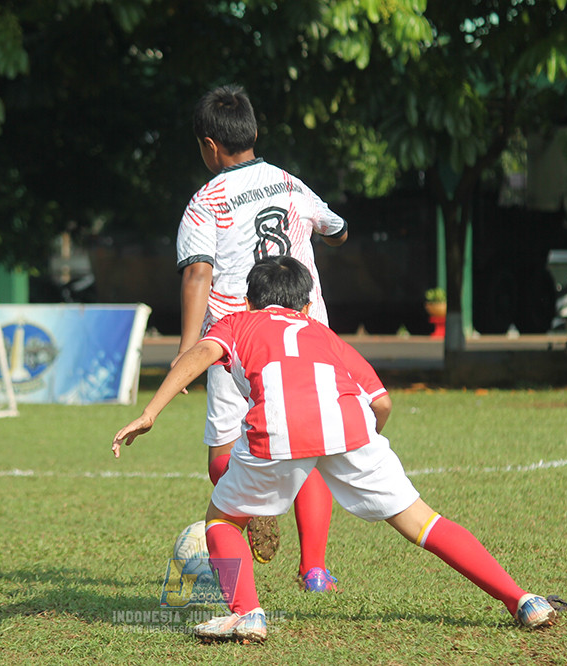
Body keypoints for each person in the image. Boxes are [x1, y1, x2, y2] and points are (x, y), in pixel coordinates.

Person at [113, 257, 559, 643]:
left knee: (222, 520)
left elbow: (200, 353)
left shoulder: (237, 322)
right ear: (307, 306)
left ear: (248, 302)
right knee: (424, 521)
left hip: (276, 430)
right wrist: (361, 446)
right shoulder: (324, 334)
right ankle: (523, 599)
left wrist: (151, 412)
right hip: (351, 429)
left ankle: (246, 612)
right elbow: (382, 402)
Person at [175, 83, 349, 591]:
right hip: (306, 338)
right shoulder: (289, 184)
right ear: (253, 131)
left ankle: (252, 509)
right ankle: (314, 569)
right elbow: (337, 228)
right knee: (308, 447)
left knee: (222, 457)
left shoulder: (205, 201)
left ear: (209, 145)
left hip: (239, 342)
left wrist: (188, 351)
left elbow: (197, 274)